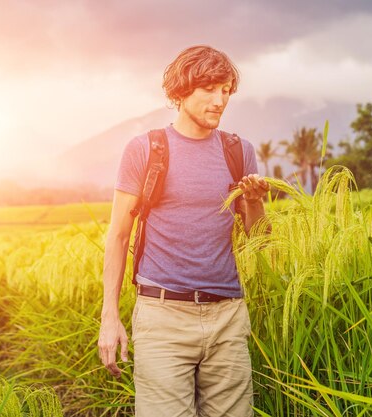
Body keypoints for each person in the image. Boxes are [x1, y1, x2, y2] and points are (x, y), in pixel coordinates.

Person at [98, 45, 270, 417]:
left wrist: (255, 202)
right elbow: (118, 236)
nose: (219, 100)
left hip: (227, 316)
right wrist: (109, 317)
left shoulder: (239, 152)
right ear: (180, 91)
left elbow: (260, 241)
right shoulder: (145, 149)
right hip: (162, 318)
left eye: (226, 90)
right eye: (209, 88)